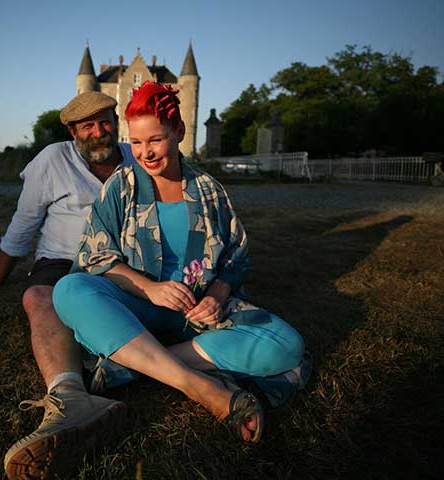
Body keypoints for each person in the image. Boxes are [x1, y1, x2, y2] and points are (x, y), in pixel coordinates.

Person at [52, 81, 306, 443]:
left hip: (197, 314)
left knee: (286, 344)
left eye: (155, 140)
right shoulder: (119, 186)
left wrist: (218, 294)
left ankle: (138, 363)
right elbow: (95, 255)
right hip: (137, 308)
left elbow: (236, 255)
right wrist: (150, 289)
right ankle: (197, 384)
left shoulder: (209, 190)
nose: (145, 153)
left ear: (179, 132)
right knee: (69, 289)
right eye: (136, 143)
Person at [0, 91, 134, 479]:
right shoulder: (52, 160)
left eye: (105, 120)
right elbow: (24, 223)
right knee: (38, 296)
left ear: (116, 120)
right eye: (87, 125)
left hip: (122, 263)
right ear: (74, 131)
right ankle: (71, 396)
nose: (99, 131)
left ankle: (126, 365)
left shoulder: (135, 158)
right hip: (62, 261)